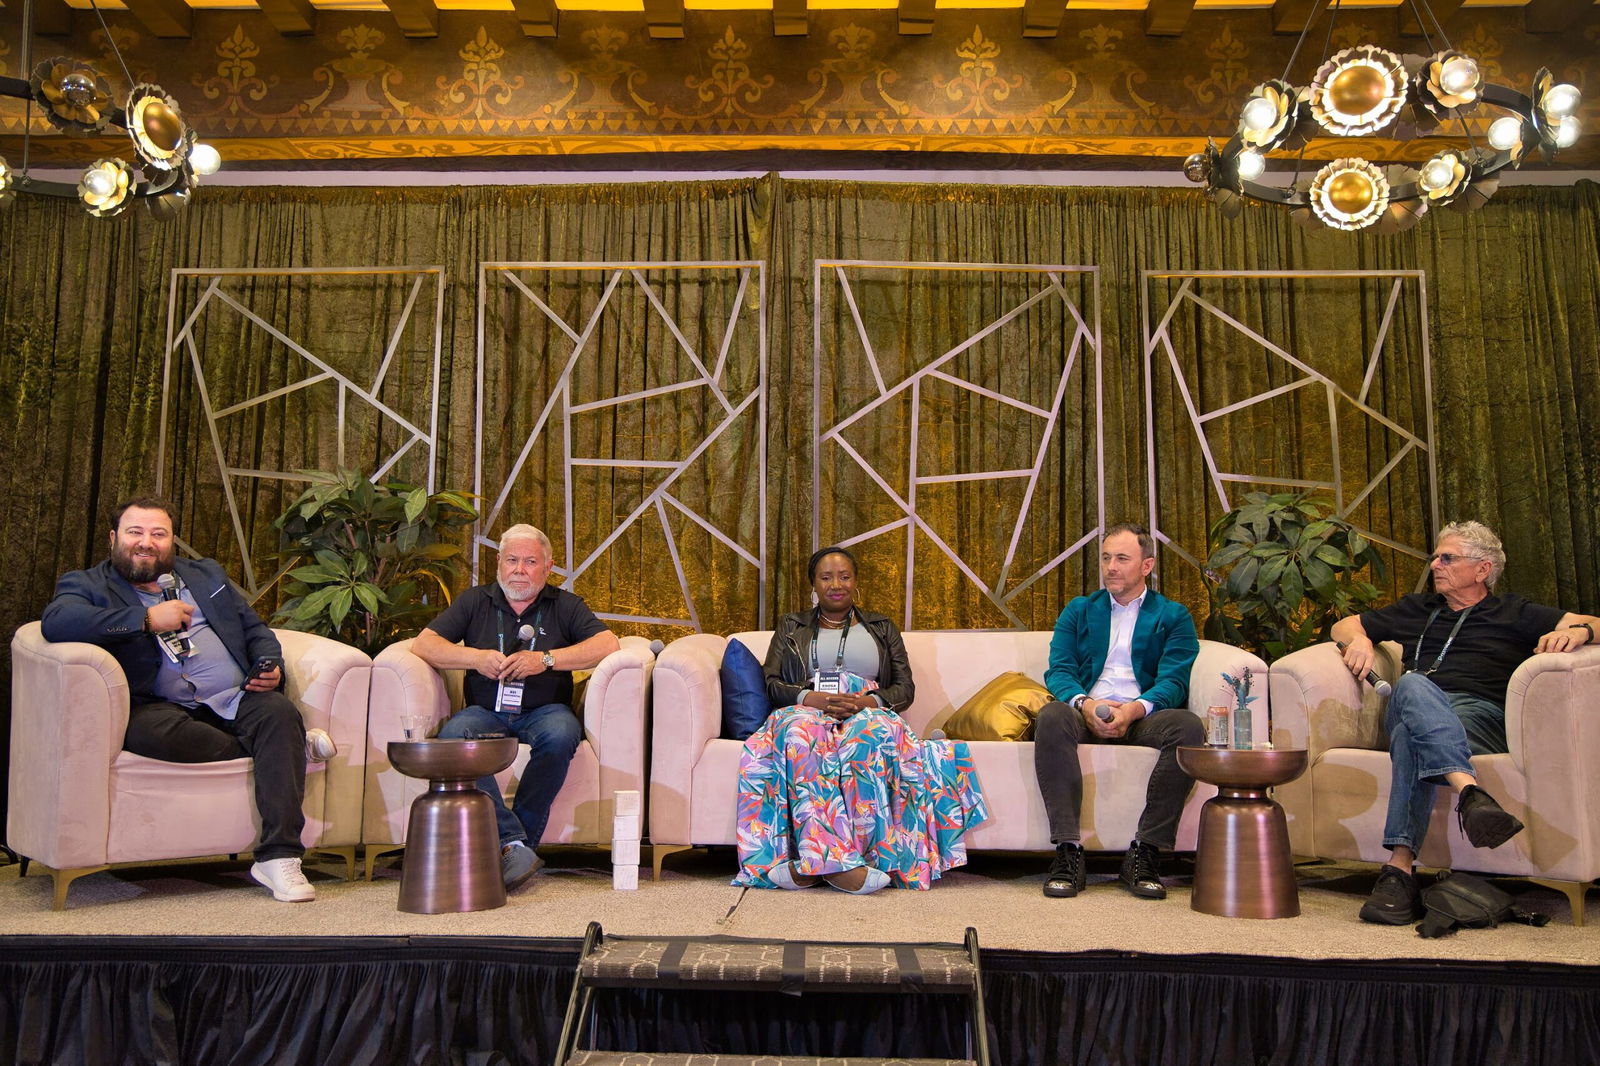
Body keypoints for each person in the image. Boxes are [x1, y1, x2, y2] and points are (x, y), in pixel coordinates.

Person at [40, 496, 331, 903]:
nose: (147, 542)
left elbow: (255, 628)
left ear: (171, 541)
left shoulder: (205, 574)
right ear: (113, 538)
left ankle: (278, 856)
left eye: (158, 534)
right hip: (156, 707)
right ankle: (290, 748)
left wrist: (271, 665)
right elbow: (57, 623)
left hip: (235, 696)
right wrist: (144, 620)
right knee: (160, 735)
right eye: (135, 532)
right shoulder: (87, 584)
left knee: (279, 714)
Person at [1331, 520, 1598, 925]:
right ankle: (1470, 795)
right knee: (1413, 686)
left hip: (1480, 718)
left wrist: (1579, 632)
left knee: (1408, 734)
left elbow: (1595, 622)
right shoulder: (1417, 608)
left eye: (1447, 558)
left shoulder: (1514, 612)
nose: (1435, 565)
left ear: (1482, 569)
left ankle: (1399, 871)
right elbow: (1343, 625)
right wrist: (1361, 639)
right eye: (1436, 557)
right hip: (1415, 703)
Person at [734, 546, 988, 893]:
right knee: (799, 735)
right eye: (826, 577)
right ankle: (834, 863)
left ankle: (859, 860)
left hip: (866, 708)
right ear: (813, 584)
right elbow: (771, 682)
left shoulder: (882, 627)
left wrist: (866, 702)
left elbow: (904, 688)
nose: (836, 584)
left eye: (844, 576)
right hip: (808, 705)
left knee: (870, 738)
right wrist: (811, 698)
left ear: (855, 582)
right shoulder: (791, 625)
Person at [412, 524, 620, 890]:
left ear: (548, 567)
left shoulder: (565, 605)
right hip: (485, 710)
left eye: (530, 562)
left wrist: (546, 660)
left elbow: (607, 644)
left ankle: (513, 848)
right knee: (454, 737)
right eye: (512, 560)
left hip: (545, 710)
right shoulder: (474, 601)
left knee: (561, 735)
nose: (519, 570)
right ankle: (514, 844)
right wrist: (475, 658)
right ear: (499, 562)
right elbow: (424, 644)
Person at [1033, 522, 1203, 901]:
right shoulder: (1080, 610)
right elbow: (1059, 670)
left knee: (1188, 727)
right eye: (1106, 558)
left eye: (1122, 559)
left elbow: (1174, 681)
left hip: (1142, 716)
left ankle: (1145, 852)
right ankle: (1068, 851)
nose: (1110, 567)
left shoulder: (1173, 615)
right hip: (1087, 710)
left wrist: (1133, 710)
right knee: (1052, 716)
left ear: (1147, 566)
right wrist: (1086, 704)